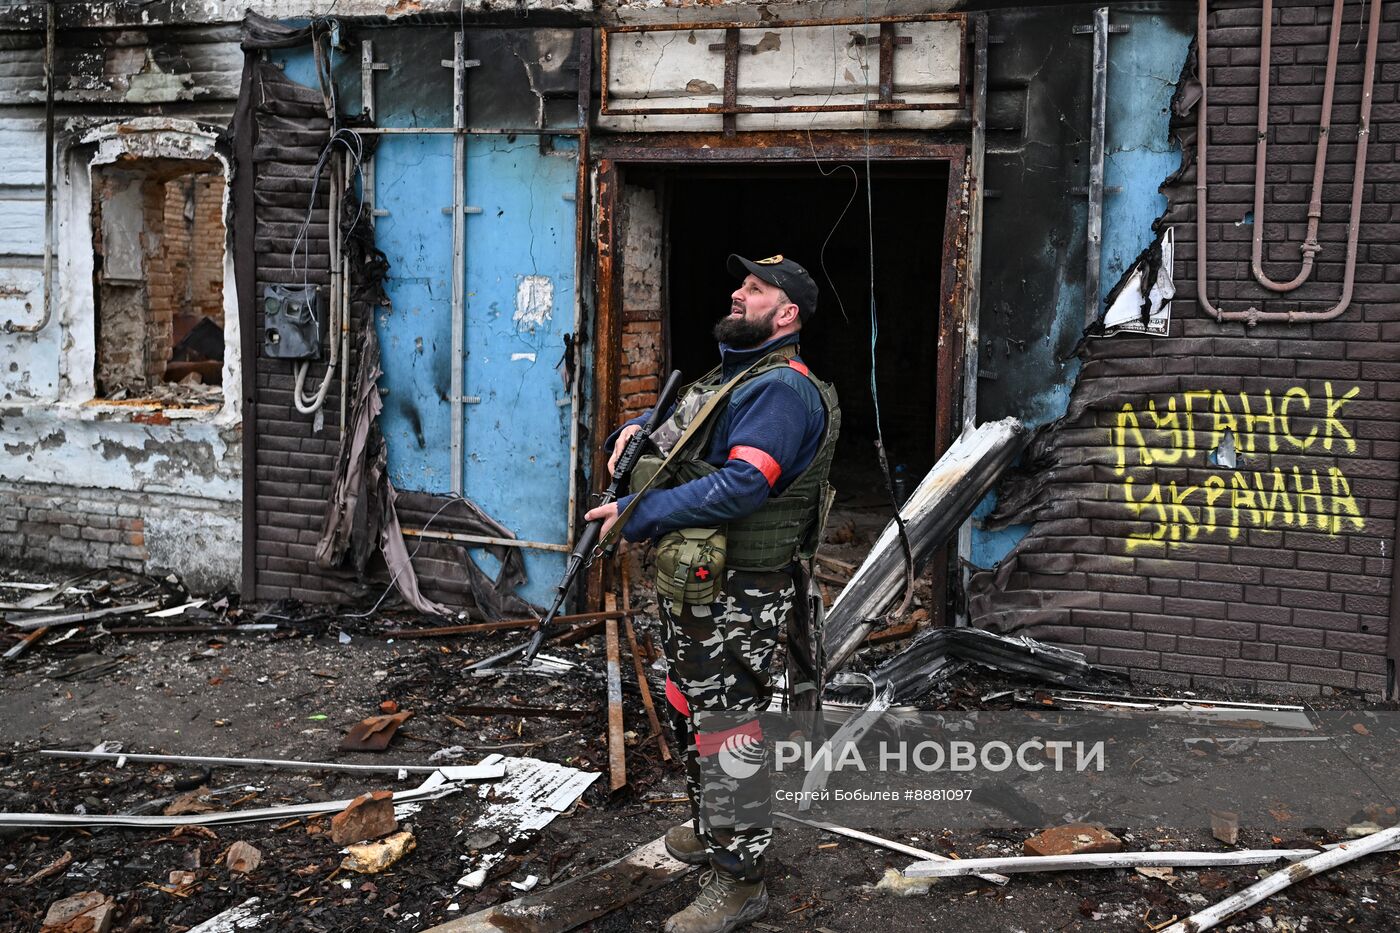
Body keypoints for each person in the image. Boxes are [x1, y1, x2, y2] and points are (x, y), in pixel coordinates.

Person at [586, 254, 841, 933]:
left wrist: (639, 512)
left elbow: (744, 483)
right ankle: (711, 829)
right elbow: (681, 433)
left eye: (755, 289)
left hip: (741, 589)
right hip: (701, 582)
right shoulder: (732, 377)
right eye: (740, 283)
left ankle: (739, 878)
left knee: (728, 727)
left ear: (786, 314)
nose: (738, 292)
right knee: (689, 704)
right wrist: (632, 432)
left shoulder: (781, 391)